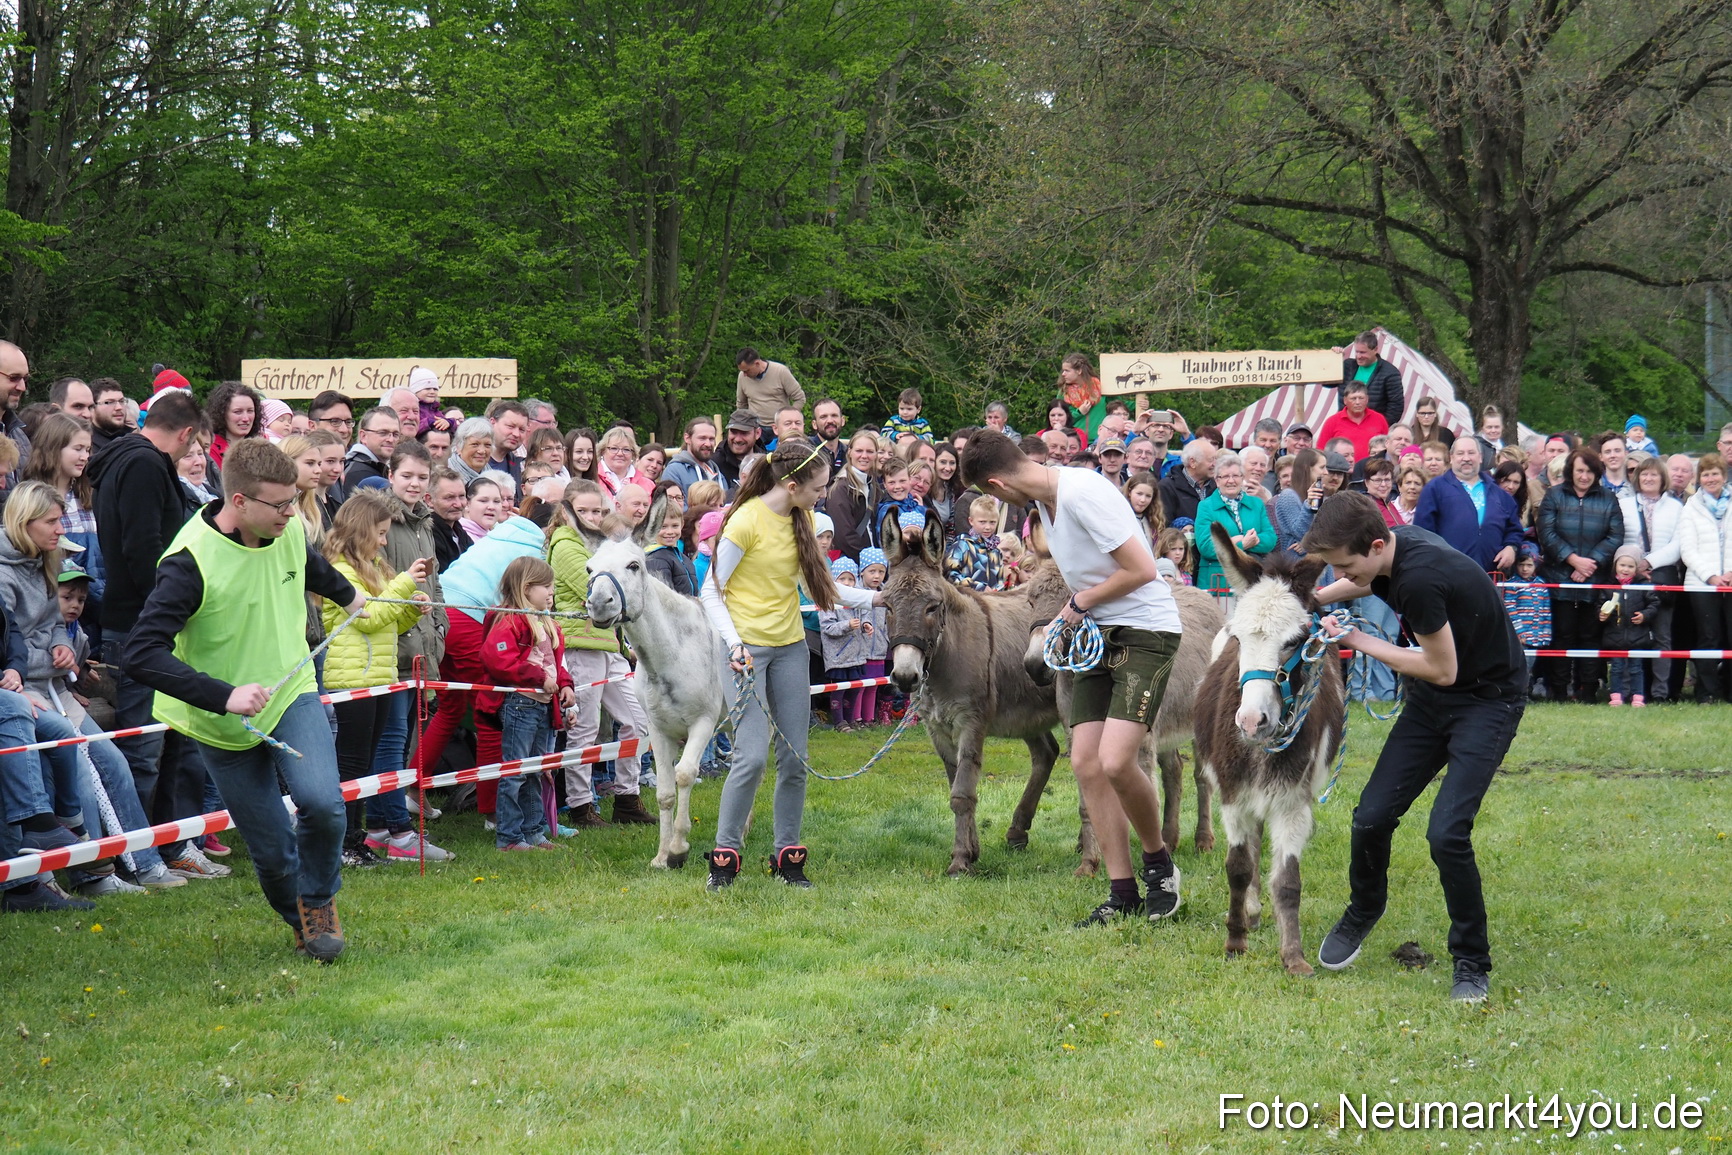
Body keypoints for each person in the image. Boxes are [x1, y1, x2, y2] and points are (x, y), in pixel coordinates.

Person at [122, 439, 367, 960]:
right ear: (238, 502)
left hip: (291, 692)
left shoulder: (290, 529)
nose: (289, 513)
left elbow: (310, 566)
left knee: (323, 805)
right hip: (221, 721)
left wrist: (350, 595)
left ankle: (319, 901)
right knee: (273, 848)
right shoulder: (188, 563)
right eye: (277, 505)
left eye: (292, 501)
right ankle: (298, 919)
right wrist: (223, 695)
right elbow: (140, 654)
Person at [1304, 493, 1526, 1003]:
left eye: (1344, 565)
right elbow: (1360, 578)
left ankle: (1471, 962)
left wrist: (1356, 640)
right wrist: (1311, 601)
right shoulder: (1393, 549)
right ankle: (1364, 909)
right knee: (1371, 817)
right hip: (1433, 702)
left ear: (1378, 545)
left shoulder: (1420, 580)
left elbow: (1441, 668)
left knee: (1446, 834)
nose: (1341, 576)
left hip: (1486, 702)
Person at [960, 429, 1184, 925]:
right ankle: (1122, 892)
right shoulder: (1046, 506)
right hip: (1096, 635)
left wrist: (1077, 604)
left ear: (996, 485)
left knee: (1117, 760)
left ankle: (1158, 865)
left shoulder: (1083, 493)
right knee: (1085, 761)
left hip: (1144, 631)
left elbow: (1143, 568)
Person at [698, 439, 882, 891]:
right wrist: (736, 643)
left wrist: (881, 597)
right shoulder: (744, 521)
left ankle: (788, 857)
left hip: (790, 648)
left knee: (795, 759)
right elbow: (710, 592)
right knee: (751, 757)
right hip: (745, 653)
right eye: (818, 488)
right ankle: (724, 858)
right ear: (793, 483)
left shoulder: (799, 520)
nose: (822, 495)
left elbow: (824, 589)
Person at [85, 391, 208, 872]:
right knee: (144, 748)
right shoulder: (144, 464)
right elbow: (144, 549)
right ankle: (136, 857)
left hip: (146, 619)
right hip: (144, 623)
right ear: (186, 434)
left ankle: (170, 847)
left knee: (172, 739)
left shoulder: (130, 459)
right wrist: (170, 610)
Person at [319, 489, 447, 865]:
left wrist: (412, 610)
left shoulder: (372, 570)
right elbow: (369, 617)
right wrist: (406, 583)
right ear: (361, 530)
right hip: (351, 681)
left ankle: (356, 840)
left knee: (366, 762)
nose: (384, 540)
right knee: (352, 765)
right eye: (380, 532)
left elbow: (386, 622)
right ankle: (342, 843)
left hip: (377, 677)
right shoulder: (339, 572)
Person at [545, 480, 657, 826]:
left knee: (638, 720)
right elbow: (598, 594)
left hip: (608, 643)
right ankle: (580, 806)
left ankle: (627, 797)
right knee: (586, 728)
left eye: (598, 511)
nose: (592, 517)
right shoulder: (566, 546)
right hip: (580, 644)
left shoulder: (597, 546)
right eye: (584, 511)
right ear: (567, 513)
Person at [478, 556, 574, 852]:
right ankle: (509, 837)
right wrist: (535, 677)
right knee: (515, 771)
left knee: (537, 770)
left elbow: (554, 663)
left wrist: (565, 685)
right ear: (526, 587)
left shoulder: (546, 622)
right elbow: (498, 659)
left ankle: (533, 831)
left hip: (543, 706)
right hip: (520, 704)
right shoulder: (508, 619)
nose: (551, 591)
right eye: (546, 585)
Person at [1536, 448, 1623, 703]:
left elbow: (1615, 535)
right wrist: (1572, 560)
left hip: (1595, 579)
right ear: (1570, 472)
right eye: (1579, 471)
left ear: (1597, 473)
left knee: (1590, 636)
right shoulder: (1553, 495)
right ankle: (1559, 691)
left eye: (1589, 471)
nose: (1584, 476)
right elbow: (1547, 533)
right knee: (1562, 636)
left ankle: (1588, 691)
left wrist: (1590, 563)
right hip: (1559, 576)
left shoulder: (1608, 498)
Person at [1412, 439, 1525, 573]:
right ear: (1451, 458)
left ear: (1480, 457)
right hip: (1448, 574)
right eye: (1460, 453)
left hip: (1490, 574)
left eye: (1471, 453)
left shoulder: (1499, 493)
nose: (1466, 458)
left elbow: (1514, 529)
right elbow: (1422, 533)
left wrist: (1511, 547)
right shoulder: (1435, 489)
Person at [1678, 452, 1732, 703]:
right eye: (1706, 474)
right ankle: (1707, 691)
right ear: (1700, 478)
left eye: (1715, 473)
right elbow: (1687, 549)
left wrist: (1729, 573)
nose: (1711, 478)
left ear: (1724, 476)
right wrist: (1711, 576)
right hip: (1702, 584)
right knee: (1708, 637)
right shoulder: (1691, 506)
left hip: (1730, 581)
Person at [1629, 455, 1684, 698]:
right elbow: (1621, 538)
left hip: (1663, 575)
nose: (1649, 478)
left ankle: (1660, 692)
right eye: (1644, 474)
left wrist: (1650, 562)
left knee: (1662, 636)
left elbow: (1679, 543)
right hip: (1631, 576)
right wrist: (1633, 564)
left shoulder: (1676, 507)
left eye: (1654, 474)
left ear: (1663, 479)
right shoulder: (1624, 504)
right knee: (1632, 635)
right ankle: (1634, 692)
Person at [1193, 450, 1276, 599]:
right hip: (1218, 581)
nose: (1231, 481)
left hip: (1252, 580)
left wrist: (1241, 541)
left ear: (1242, 478)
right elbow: (1206, 547)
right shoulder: (1206, 506)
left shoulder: (1256, 503)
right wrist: (1242, 545)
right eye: (1225, 476)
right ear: (1217, 481)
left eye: (1235, 476)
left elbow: (1270, 539)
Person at [818, 557, 872, 731]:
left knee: (854, 688)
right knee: (839, 690)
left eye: (850, 579)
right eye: (842, 579)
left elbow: (864, 616)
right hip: (838, 655)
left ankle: (850, 720)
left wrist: (865, 625)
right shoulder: (828, 600)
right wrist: (847, 626)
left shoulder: (857, 600)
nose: (847, 583)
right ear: (834, 580)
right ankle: (839, 722)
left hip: (856, 654)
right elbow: (827, 627)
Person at [1600, 545, 1656, 707]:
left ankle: (1638, 696)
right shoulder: (1608, 585)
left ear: (1637, 568)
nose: (1625, 569)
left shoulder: (1643, 585)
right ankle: (1616, 696)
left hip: (1637, 635)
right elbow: (1600, 604)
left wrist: (1645, 615)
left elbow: (1654, 604)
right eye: (1622, 565)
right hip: (1614, 635)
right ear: (1615, 565)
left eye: (1630, 566)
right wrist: (1601, 614)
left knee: (1636, 668)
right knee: (1616, 668)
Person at [1327, 331, 1404, 427]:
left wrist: (1379, 426)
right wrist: (1333, 359)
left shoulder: (1390, 373)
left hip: (1372, 429)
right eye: (1357, 352)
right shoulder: (1348, 366)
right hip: (1344, 425)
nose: (1358, 356)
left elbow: (1396, 406)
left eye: (1363, 352)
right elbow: (1327, 383)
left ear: (1375, 349)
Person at [944, 496, 1007, 592]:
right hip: (967, 601)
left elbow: (1000, 582)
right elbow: (950, 575)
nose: (988, 527)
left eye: (992, 522)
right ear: (971, 521)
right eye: (982, 522)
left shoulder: (996, 551)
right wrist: (978, 587)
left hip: (992, 603)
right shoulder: (962, 544)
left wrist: (998, 592)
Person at [1316, 381, 1390, 462]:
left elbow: (1388, 447)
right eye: (1353, 398)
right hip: (1343, 470)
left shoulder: (1379, 419)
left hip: (1373, 470)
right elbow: (1320, 451)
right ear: (1345, 400)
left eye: (1361, 398)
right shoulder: (1332, 422)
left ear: (1367, 399)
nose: (1357, 402)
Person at [735, 348, 807, 428]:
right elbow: (741, 404)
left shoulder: (780, 371)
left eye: (747, 371)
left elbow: (800, 398)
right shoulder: (742, 376)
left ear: (757, 364)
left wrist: (788, 418)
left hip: (779, 427)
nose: (744, 374)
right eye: (742, 371)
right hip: (756, 427)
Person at [1273, 447, 1326, 556]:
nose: (1326, 472)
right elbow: (1300, 532)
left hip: (1322, 563)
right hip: (1298, 565)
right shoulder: (1288, 496)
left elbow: (1328, 532)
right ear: (1308, 469)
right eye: (1322, 467)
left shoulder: (1321, 494)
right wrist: (1308, 506)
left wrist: (1309, 544)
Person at [204, 381, 262, 474]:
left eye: (250, 411)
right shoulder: (211, 450)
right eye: (238, 412)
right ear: (222, 413)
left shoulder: (260, 449)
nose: (246, 418)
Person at [1159, 438, 1216, 525]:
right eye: (1210, 460)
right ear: (1192, 462)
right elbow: (1165, 527)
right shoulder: (1167, 487)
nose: (1215, 464)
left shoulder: (1217, 486)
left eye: (1216, 459)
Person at [646, 502, 698, 594]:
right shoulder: (655, 559)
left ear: (682, 524)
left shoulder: (683, 558)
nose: (670, 531)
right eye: (663, 527)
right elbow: (664, 596)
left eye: (675, 526)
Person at [426, 467, 471, 572]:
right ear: (429, 500)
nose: (458, 504)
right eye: (449, 498)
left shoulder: (458, 530)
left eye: (461, 496)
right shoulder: (429, 534)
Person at [664, 418, 723, 497]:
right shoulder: (674, 471)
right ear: (687, 438)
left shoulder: (717, 473)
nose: (708, 444)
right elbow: (673, 507)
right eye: (702, 438)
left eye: (711, 439)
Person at [1058, 354, 1107, 440]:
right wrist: (1079, 412)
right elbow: (1060, 420)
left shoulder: (1101, 387)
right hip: (1075, 442)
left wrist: (1137, 404)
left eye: (1067, 371)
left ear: (1079, 371)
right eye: (1063, 370)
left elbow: (1119, 407)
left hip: (1099, 441)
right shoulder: (1064, 393)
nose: (1063, 374)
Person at [485, 401, 530, 483]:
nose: (516, 434)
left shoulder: (522, 467)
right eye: (510, 426)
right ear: (492, 422)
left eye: (522, 430)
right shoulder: (472, 461)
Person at [88, 379, 131, 450]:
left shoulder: (133, 438)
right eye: (109, 402)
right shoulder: (87, 446)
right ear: (92, 407)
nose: (119, 407)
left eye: (121, 401)